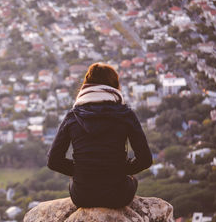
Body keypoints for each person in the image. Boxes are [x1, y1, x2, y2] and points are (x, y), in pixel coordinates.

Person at [47, 63, 152, 209]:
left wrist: (82, 171)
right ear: (114, 86)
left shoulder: (73, 116)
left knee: (76, 183)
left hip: (83, 196)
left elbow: (53, 161)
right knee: (132, 181)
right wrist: (119, 169)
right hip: (118, 195)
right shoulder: (125, 115)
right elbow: (145, 159)